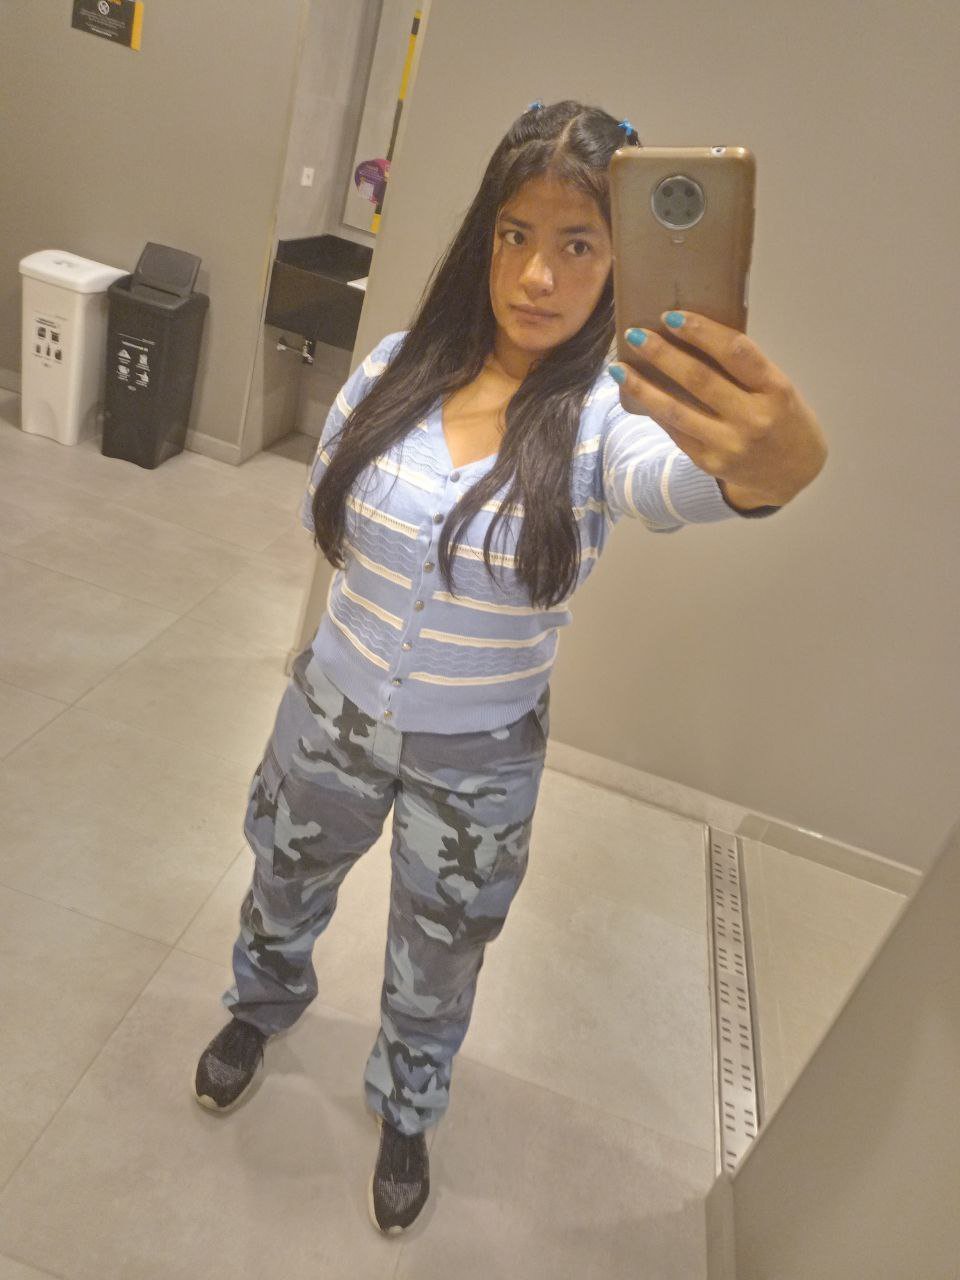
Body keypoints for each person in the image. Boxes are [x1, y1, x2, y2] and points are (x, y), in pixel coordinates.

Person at [192, 99, 827, 1235]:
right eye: (516, 235)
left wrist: (769, 468)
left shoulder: (603, 420)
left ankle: (407, 1109)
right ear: (484, 237)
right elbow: (324, 505)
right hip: (330, 710)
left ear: (619, 262)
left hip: (476, 761)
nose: (538, 276)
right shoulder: (394, 367)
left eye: (578, 244)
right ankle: (258, 1006)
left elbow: (677, 484)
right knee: (282, 877)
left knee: (440, 951)